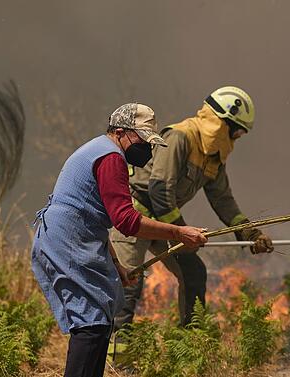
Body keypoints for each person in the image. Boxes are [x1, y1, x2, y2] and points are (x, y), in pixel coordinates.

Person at [31, 103, 208, 377]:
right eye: (143, 140)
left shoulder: (101, 150)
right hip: (68, 241)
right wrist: (179, 233)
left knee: (98, 321)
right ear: (121, 132)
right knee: (90, 324)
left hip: (72, 237)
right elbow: (126, 221)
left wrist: (116, 264)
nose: (147, 150)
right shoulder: (111, 158)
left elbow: (98, 219)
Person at [110, 87, 274, 332]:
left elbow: (223, 200)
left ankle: (191, 345)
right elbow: (159, 190)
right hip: (136, 216)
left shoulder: (213, 155)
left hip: (165, 221)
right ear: (222, 123)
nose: (236, 139)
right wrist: (181, 232)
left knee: (193, 272)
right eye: (236, 132)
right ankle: (116, 359)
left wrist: (251, 234)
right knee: (128, 281)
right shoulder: (181, 136)